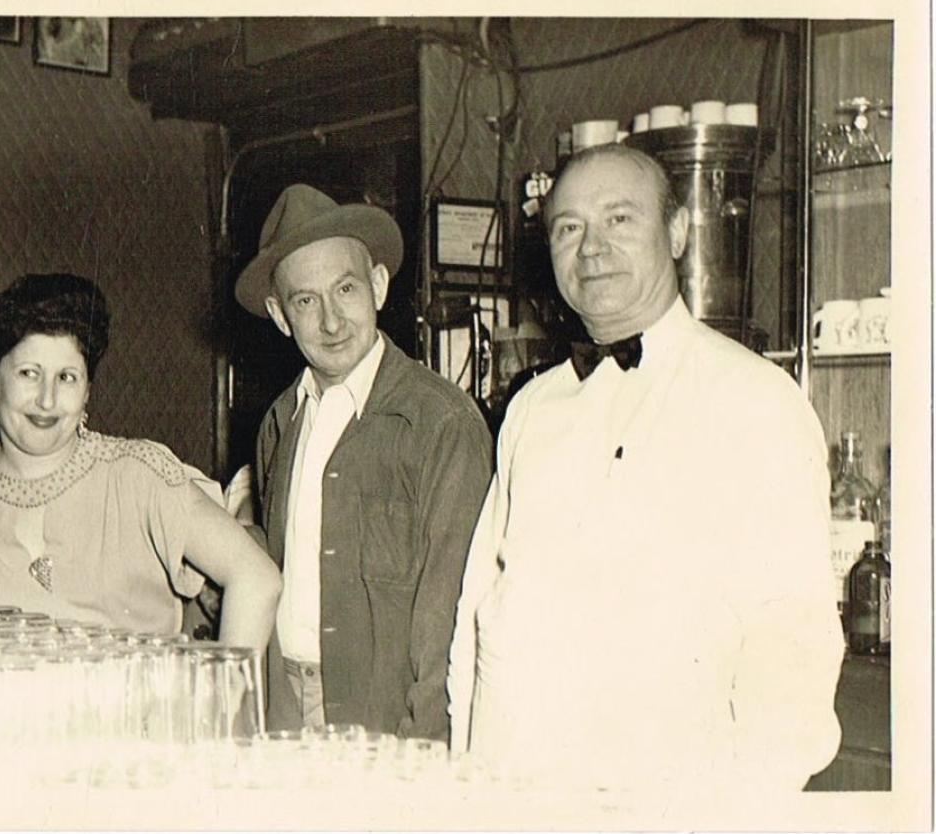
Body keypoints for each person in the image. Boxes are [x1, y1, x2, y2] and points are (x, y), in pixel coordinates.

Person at [447, 144, 845, 793]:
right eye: (568, 227)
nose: (591, 248)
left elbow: (791, 643)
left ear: (679, 231)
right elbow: (477, 608)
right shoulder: (532, 409)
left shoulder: (756, 401)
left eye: (620, 219)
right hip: (514, 792)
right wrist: (465, 774)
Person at [0, 273, 280, 652]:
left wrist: (223, 707)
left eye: (67, 377)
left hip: (137, 730)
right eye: (28, 374)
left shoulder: (140, 476)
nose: (47, 399)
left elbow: (257, 580)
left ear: (88, 389)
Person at [235, 184, 492, 740]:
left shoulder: (441, 424)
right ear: (281, 316)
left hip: (382, 724)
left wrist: (426, 751)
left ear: (378, 285)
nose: (331, 321)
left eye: (345, 289)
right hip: (281, 707)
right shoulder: (279, 422)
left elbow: (450, 616)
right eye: (306, 301)